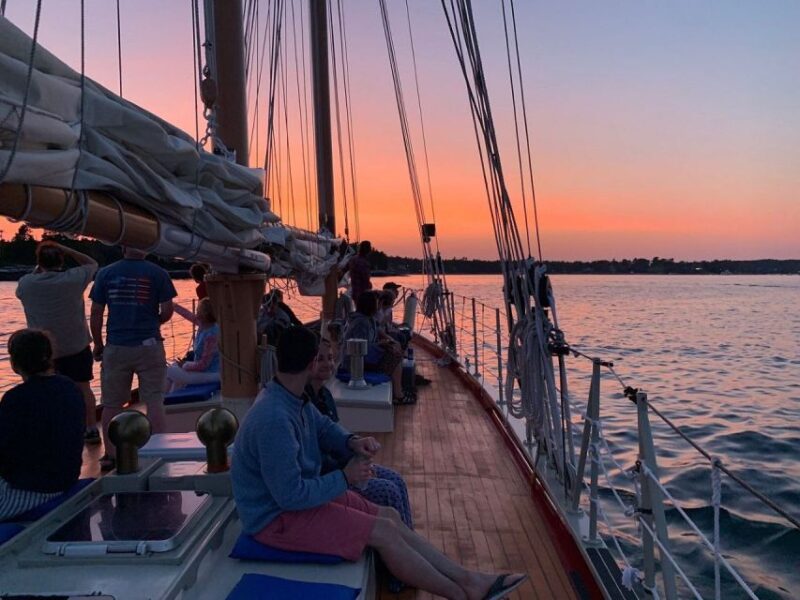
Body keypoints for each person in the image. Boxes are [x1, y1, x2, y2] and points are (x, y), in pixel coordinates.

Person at [231, 327, 527, 599]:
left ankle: (470, 579)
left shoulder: (291, 397)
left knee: (388, 516)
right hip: (274, 520)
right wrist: (345, 478)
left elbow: (323, 428)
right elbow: (290, 496)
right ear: (310, 364)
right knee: (382, 532)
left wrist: (352, 442)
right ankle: (462, 595)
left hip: (294, 507)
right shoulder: (274, 419)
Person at [306, 339, 413, 528]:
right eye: (319, 359)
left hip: (344, 466)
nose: (327, 364)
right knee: (388, 491)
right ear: (308, 364)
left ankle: (408, 535)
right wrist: (351, 469)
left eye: (330, 358)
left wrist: (359, 457)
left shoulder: (325, 395)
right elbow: (316, 455)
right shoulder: (305, 403)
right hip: (330, 476)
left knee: (397, 480)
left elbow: (337, 436)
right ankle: (399, 544)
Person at [89, 248, 177, 471]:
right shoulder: (158, 273)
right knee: (154, 400)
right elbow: (168, 310)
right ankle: (160, 451)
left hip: (117, 346)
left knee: (111, 403)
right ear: (145, 248)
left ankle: (110, 454)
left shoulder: (105, 274)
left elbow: (96, 312)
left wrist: (98, 343)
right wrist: (154, 322)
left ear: (122, 247)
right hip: (149, 345)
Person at [15, 241, 100, 443]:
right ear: (61, 260)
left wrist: (40, 267)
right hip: (75, 345)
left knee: (41, 391)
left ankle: (50, 431)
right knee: (83, 388)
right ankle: (90, 428)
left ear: (39, 263)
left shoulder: (27, 283)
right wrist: (68, 250)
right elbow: (92, 263)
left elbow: (25, 287)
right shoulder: (74, 279)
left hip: (43, 350)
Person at [0, 330, 85, 521]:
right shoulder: (70, 387)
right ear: (49, 357)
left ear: (15, 364)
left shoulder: (15, 399)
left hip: (30, 492)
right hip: (66, 477)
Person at [343, 291, 405, 403]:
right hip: (355, 364)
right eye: (377, 302)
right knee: (395, 358)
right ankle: (399, 395)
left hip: (364, 358)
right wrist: (381, 345)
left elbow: (370, 341)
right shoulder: (361, 323)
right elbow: (360, 347)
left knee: (393, 350)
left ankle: (399, 389)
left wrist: (385, 343)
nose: (379, 305)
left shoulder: (368, 319)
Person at [166, 298, 220, 391]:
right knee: (174, 367)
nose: (196, 312)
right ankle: (169, 399)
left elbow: (203, 365)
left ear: (204, 314)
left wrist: (185, 365)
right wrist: (173, 305)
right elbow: (187, 315)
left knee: (170, 371)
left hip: (212, 374)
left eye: (198, 310)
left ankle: (165, 399)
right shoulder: (204, 325)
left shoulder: (211, 335)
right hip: (204, 371)